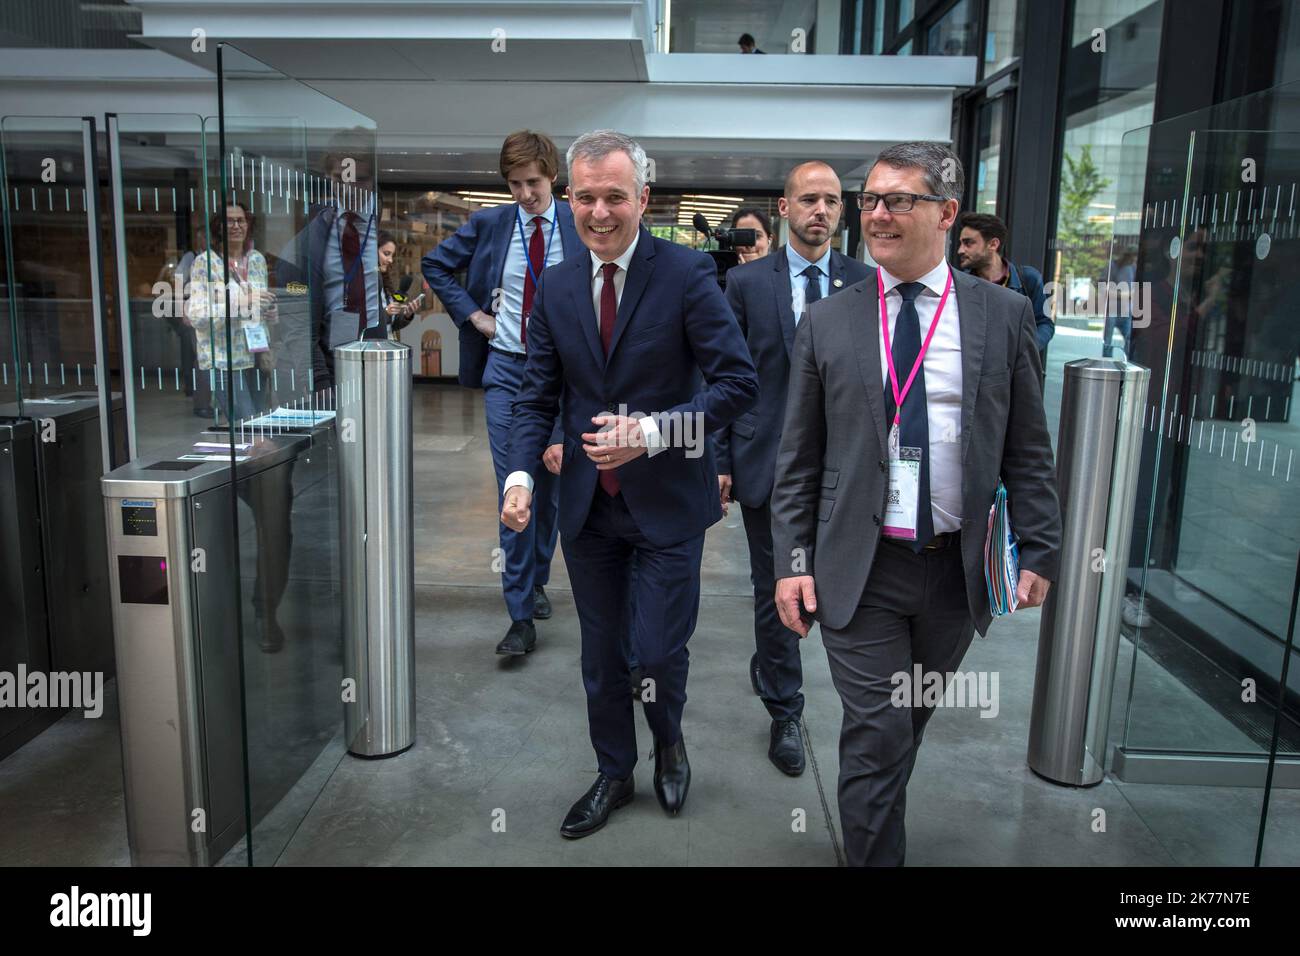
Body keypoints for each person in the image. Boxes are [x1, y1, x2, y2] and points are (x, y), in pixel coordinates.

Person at [770, 142, 1062, 866]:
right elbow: (797, 460)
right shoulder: (830, 322)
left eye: (899, 200)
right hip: (858, 568)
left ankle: (876, 828)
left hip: (954, 572)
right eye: (869, 200)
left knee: (906, 725)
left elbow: (1027, 446)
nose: (877, 214)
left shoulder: (1004, 314)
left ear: (947, 212)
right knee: (878, 733)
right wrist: (792, 562)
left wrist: (1042, 548)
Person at [500, 130, 757, 838]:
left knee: (654, 651)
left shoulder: (686, 275)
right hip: (587, 511)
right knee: (601, 655)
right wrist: (522, 473)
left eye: (615, 196)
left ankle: (668, 739)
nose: (599, 212)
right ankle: (614, 771)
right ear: (567, 200)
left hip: (668, 506)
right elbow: (535, 394)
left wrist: (648, 433)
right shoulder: (554, 285)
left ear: (643, 199)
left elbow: (737, 383)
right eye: (585, 197)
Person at [715, 161, 870, 777]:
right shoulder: (748, 284)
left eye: (832, 201)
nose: (821, 212)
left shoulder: (866, 281)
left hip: (850, 467)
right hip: (768, 463)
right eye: (809, 200)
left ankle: (863, 701)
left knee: (843, 586)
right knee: (777, 585)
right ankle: (785, 708)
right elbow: (726, 378)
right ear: (785, 209)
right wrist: (721, 460)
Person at [423, 131, 581, 656]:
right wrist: (474, 317)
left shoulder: (578, 225)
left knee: (552, 487)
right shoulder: (492, 225)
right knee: (514, 486)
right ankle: (519, 613)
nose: (525, 194)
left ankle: (536, 579)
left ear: (552, 177)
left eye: (533, 183)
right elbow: (436, 266)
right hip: (508, 371)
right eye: (515, 184)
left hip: (564, 377)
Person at [186, 201, 277, 423]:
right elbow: (197, 315)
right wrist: (240, 302)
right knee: (247, 427)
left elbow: (256, 304)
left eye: (241, 220)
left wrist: (269, 311)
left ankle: (257, 457)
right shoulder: (205, 263)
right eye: (229, 221)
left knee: (260, 424)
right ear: (218, 227)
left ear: (248, 225)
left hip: (257, 354)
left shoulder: (256, 259)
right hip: (225, 360)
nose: (236, 226)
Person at [956, 212, 1054, 377]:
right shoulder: (960, 284)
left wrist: (1023, 352)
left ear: (993, 244)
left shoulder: (1028, 279)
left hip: (1015, 379)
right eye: (961, 243)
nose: (960, 250)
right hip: (975, 377)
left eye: (968, 243)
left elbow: (1045, 324)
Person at [377, 230, 419, 335]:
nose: (390, 260)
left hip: (386, 345)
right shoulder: (361, 283)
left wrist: (407, 315)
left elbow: (392, 325)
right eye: (386, 254)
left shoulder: (385, 282)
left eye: (392, 255)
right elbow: (360, 323)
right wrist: (386, 313)